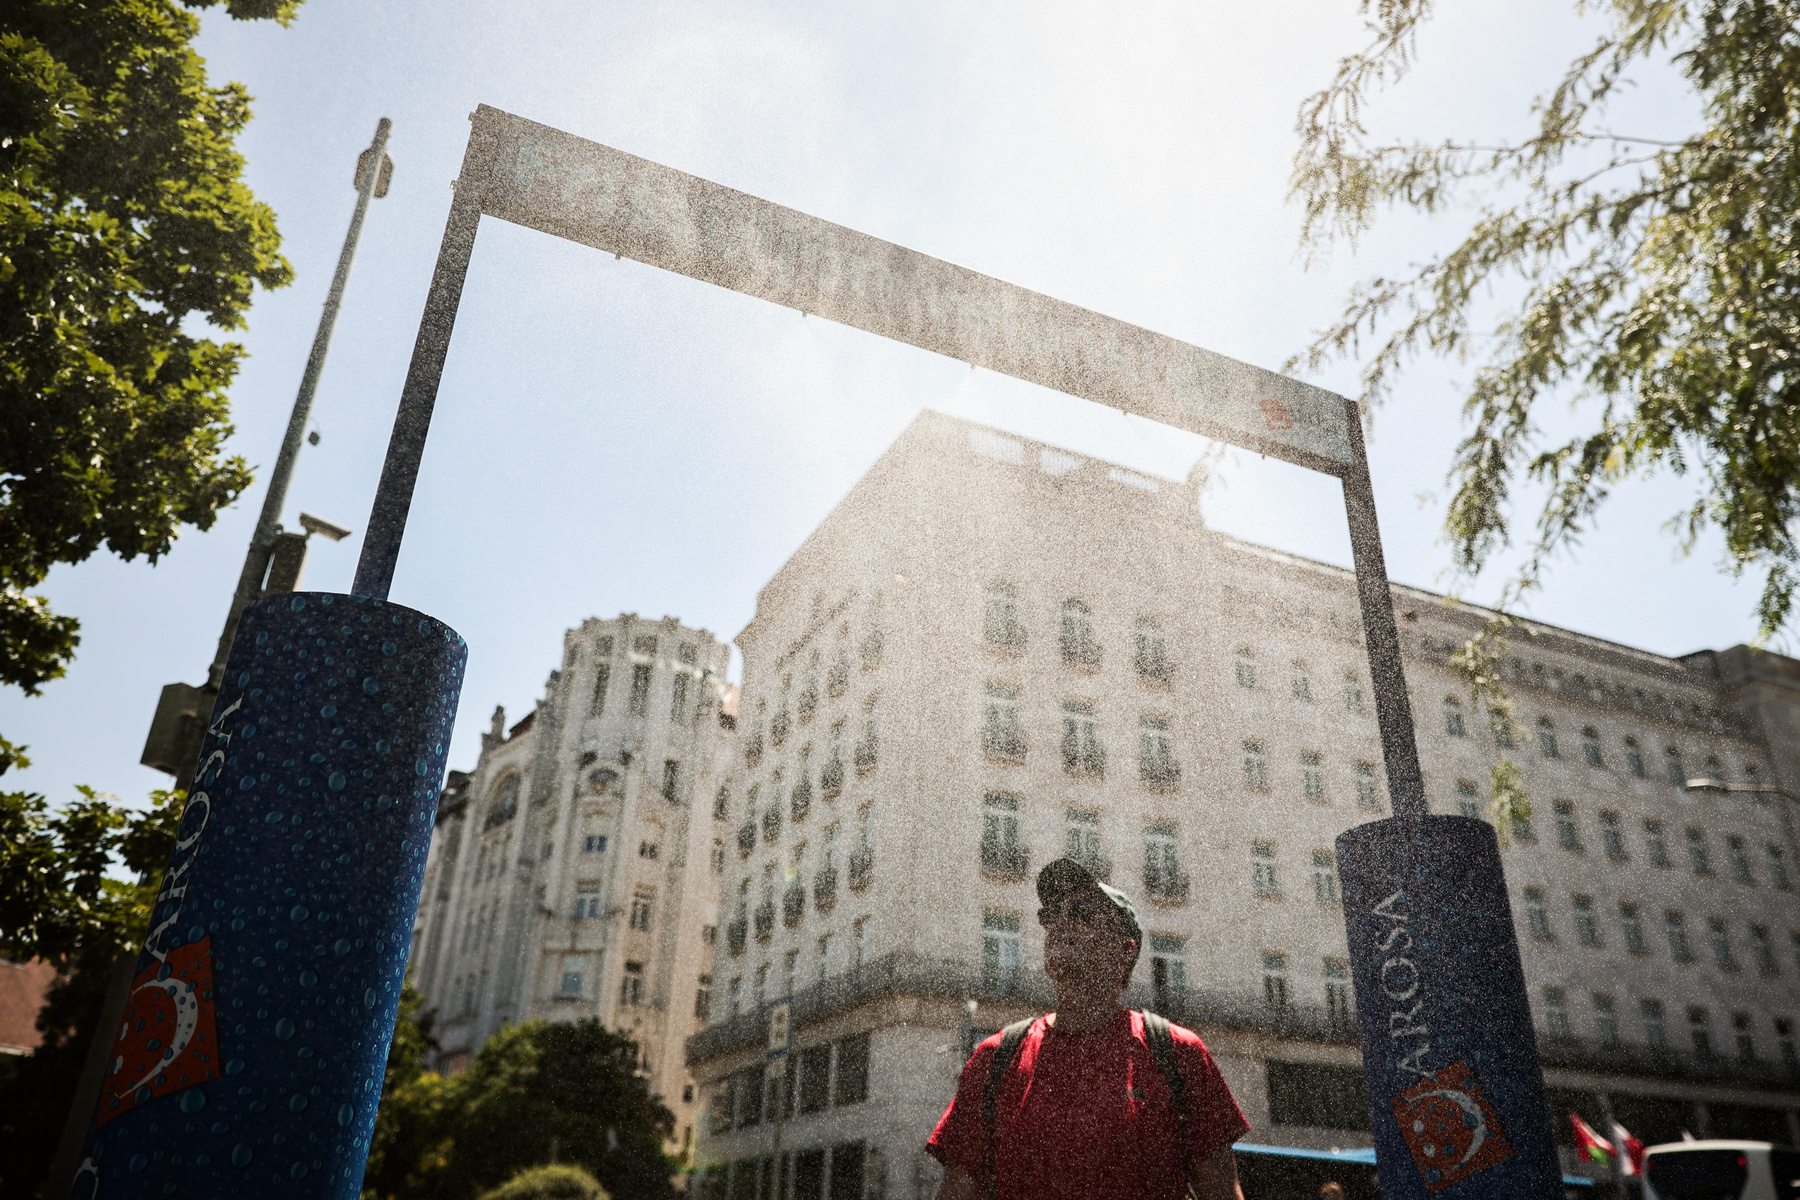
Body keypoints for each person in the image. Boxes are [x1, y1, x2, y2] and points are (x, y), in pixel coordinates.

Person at [927, 857, 1249, 1200]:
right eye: (1052, 913)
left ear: (1125, 951)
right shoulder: (994, 1059)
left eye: (1082, 913)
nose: (1061, 922)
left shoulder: (1179, 1054)